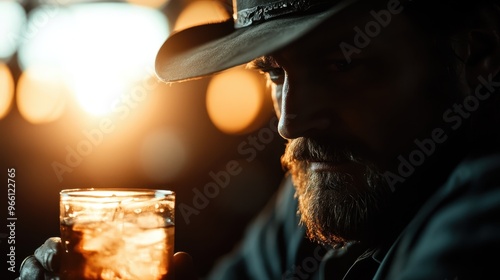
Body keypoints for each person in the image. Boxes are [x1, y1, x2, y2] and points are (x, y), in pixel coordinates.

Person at [17, 0, 500, 279]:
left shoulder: (484, 203)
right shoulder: (336, 184)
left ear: (474, 57)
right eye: (273, 72)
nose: (290, 123)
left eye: (342, 64)